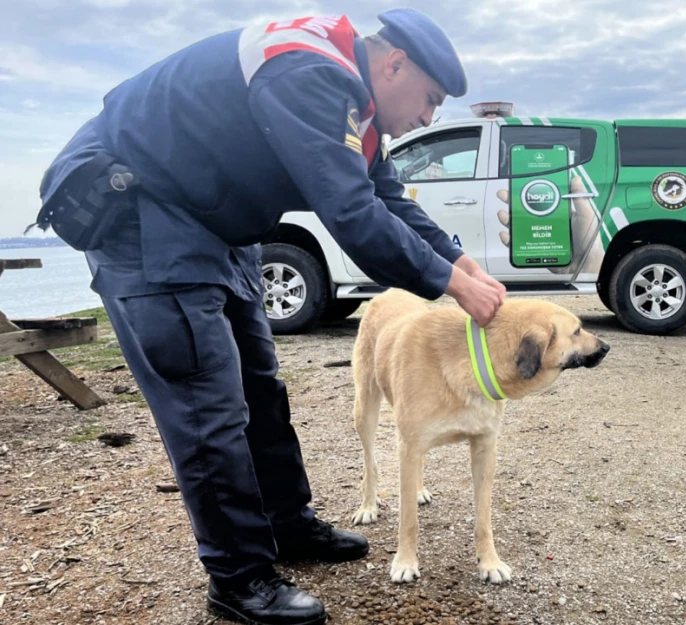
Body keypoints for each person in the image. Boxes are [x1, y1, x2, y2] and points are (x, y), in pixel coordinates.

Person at [33, 9, 504, 625]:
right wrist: (448, 286)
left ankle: (286, 526)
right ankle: (239, 580)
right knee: (208, 406)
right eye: (430, 100)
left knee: (261, 387)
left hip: (218, 227)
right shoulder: (309, 72)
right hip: (140, 212)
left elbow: (384, 194)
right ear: (394, 65)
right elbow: (351, 211)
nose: (428, 118)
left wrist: (462, 262)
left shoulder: (353, 109)